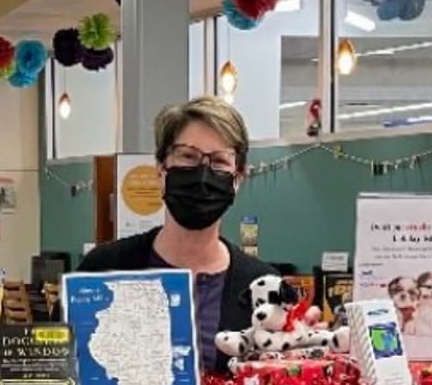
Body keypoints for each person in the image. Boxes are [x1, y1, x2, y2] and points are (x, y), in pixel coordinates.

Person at [77, 97, 281, 370]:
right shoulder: (102, 269)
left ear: (237, 179)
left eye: (219, 161)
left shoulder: (263, 287)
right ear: (161, 169)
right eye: (188, 156)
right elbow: (60, 373)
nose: (202, 174)